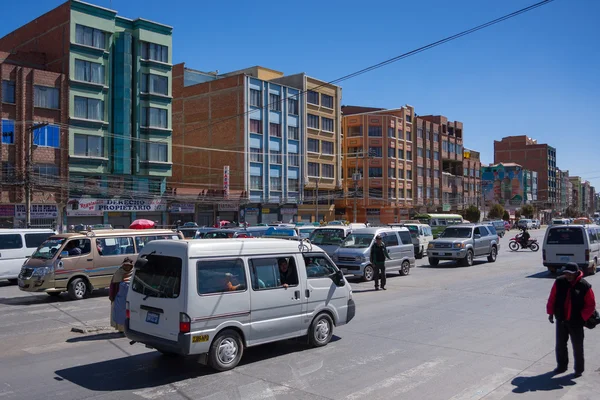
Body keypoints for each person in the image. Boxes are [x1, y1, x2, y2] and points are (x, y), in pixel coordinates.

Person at [546, 262, 596, 377]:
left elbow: (591, 305)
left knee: (578, 346)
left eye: (570, 274)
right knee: (560, 345)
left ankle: (579, 369)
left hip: (576, 322)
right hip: (561, 319)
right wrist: (550, 313)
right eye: (566, 273)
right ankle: (561, 366)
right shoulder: (559, 281)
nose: (568, 276)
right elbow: (552, 298)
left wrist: (582, 318)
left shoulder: (584, 285)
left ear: (577, 273)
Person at [109, 257, 134, 333]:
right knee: (119, 314)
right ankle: (121, 329)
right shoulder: (118, 273)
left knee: (129, 314)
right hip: (119, 298)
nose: (127, 267)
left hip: (130, 298)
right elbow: (113, 285)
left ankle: (128, 329)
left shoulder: (134, 273)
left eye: (128, 265)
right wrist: (112, 296)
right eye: (125, 265)